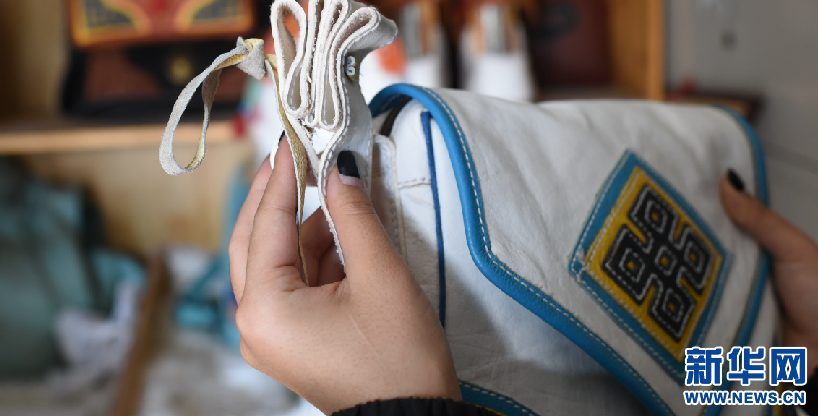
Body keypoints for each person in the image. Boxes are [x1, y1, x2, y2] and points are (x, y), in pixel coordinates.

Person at [229, 139, 817, 416]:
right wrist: (799, 366)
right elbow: (692, 377)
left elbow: (678, 379)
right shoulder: (771, 368)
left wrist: (401, 408)